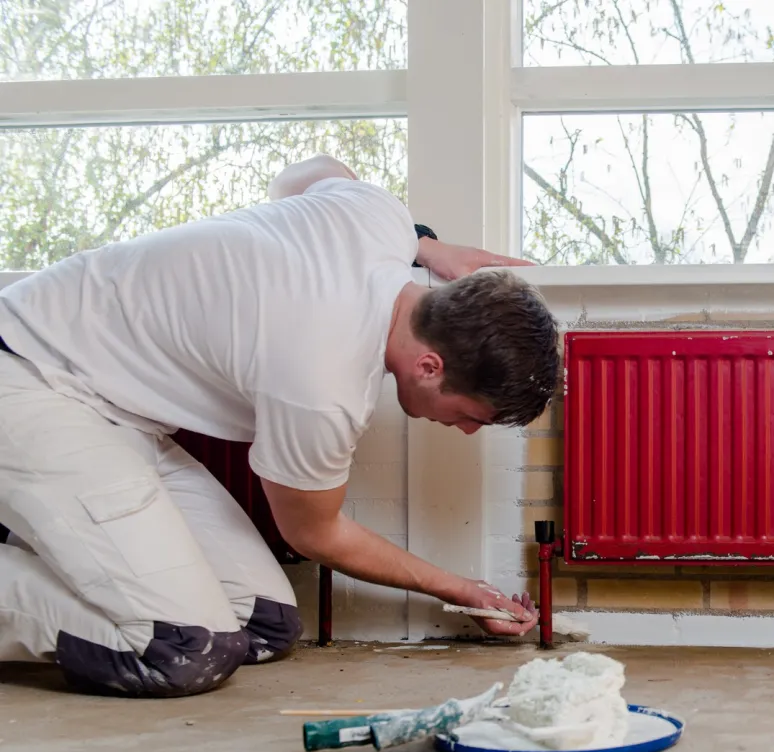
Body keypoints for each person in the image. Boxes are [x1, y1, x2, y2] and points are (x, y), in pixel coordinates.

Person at [0, 155, 556, 697]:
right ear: (430, 366)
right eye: (470, 417)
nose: (462, 431)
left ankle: (46, 529)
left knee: (266, 627)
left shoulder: (378, 216)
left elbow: (307, 173)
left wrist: (426, 244)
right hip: (31, 377)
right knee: (181, 652)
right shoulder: (324, 383)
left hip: (123, 412)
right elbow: (315, 533)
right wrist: (460, 589)